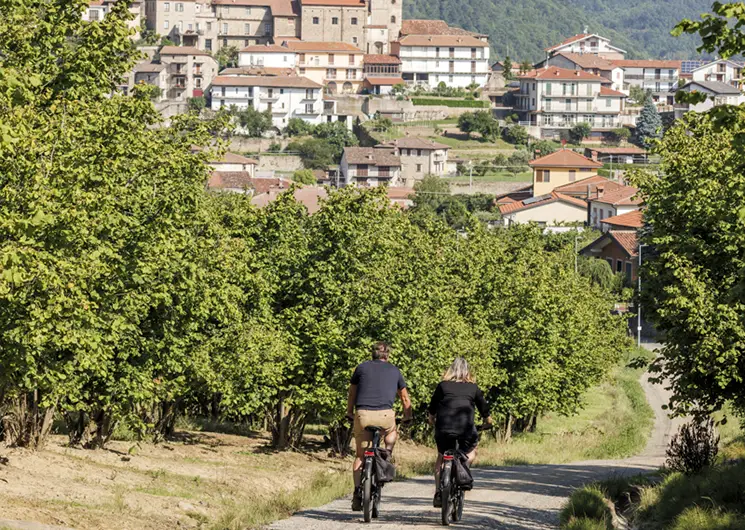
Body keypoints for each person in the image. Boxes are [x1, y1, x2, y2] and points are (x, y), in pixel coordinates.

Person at [346, 341, 413, 511]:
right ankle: (386, 455)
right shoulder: (395, 370)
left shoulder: (361, 368)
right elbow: (405, 398)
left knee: (360, 456)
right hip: (385, 415)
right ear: (387, 355)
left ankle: (357, 492)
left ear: (372, 354)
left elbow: (352, 392)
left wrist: (350, 412)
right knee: (391, 434)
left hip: (363, 415)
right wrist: (407, 416)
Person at [428, 357, 492, 508]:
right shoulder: (473, 388)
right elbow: (484, 409)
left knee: (441, 457)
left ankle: (438, 491)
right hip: (466, 430)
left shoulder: (442, 386)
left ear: (451, 370)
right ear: (467, 371)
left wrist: (431, 418)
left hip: (443, 429)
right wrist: (488, 421)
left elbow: (432, 406)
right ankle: (462, 469)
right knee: (472, 451)